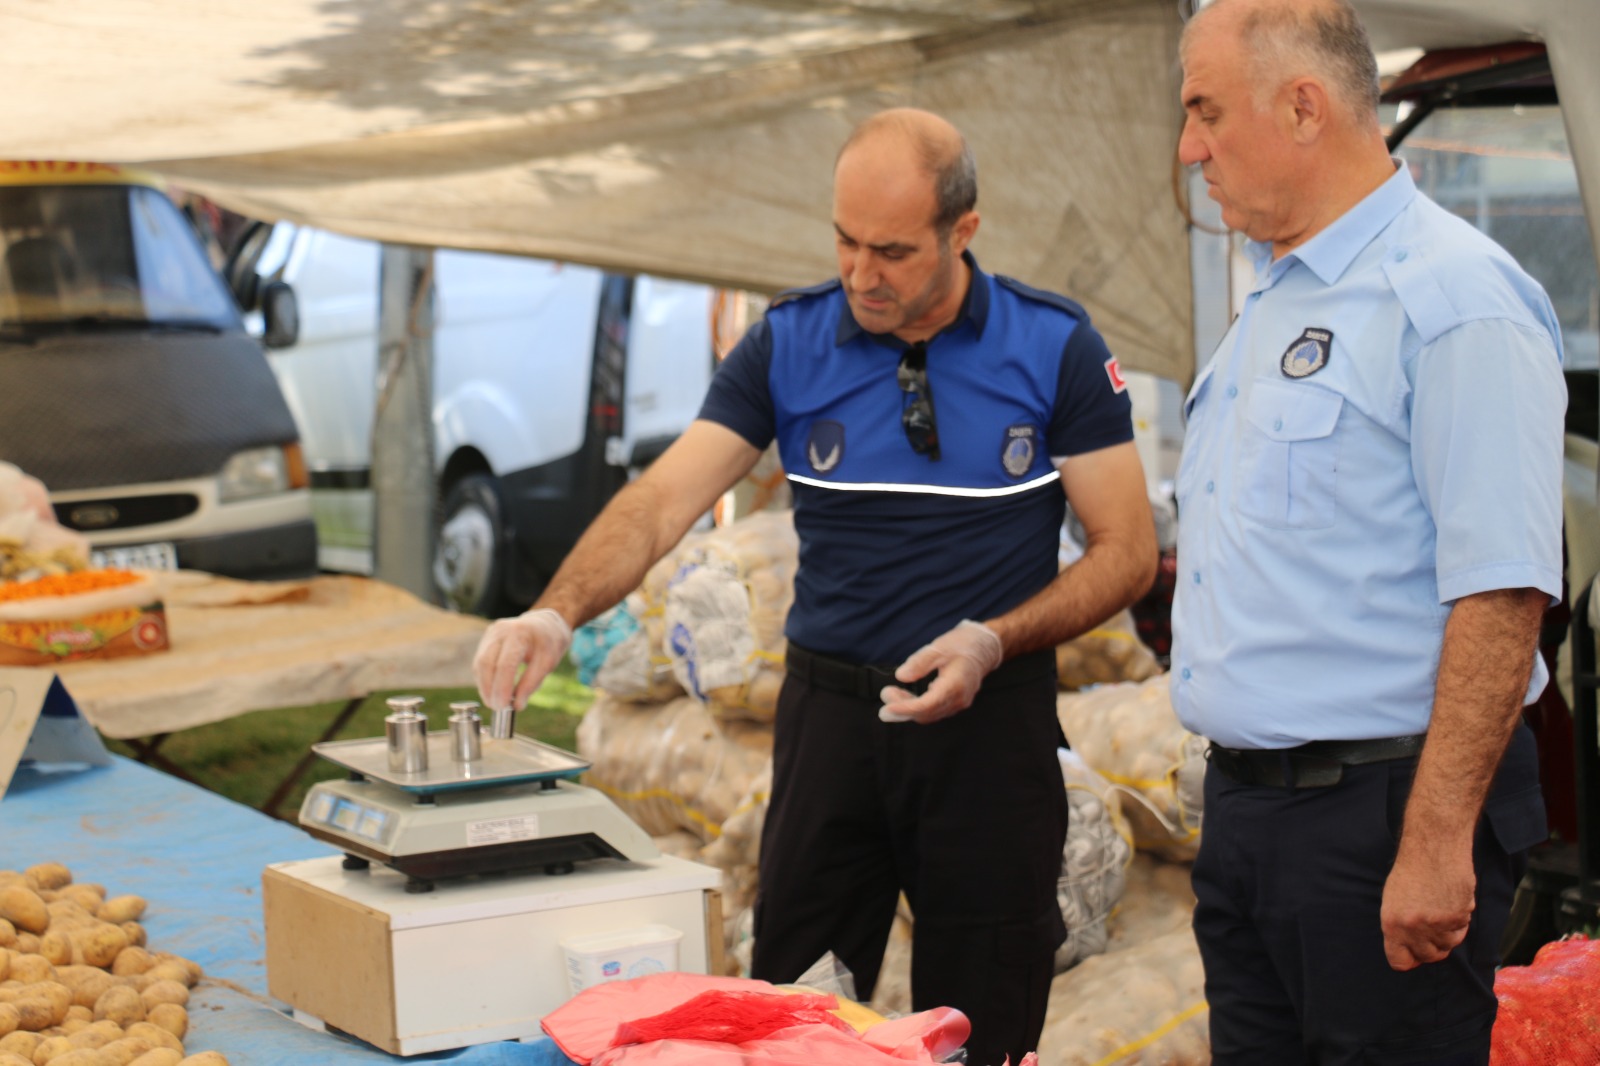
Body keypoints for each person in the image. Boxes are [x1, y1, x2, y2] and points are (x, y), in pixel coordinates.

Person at [474, 107, 1156, 1064]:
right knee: (791, 1010)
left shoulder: (1054, 348)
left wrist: (992, 640)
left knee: (986, 1019)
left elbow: (1125, 550)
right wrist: (556, 609)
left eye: (892, 250)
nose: (861, 274)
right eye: (844, 240)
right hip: (834, 728)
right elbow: (664, 499)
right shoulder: (788, 343)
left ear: (963, 231)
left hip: (991, 729)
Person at [1170, 1, 1566, 1062]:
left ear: (1303, 106)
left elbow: (1502, 591)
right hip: (1254, 818)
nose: (1187, 146)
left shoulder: (1452, 296)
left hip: (1379, 818)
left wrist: (1435, 844)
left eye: (1204, 110)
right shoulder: (1277, 296)